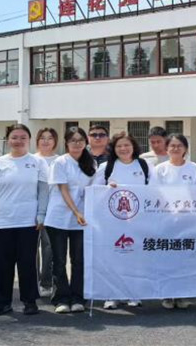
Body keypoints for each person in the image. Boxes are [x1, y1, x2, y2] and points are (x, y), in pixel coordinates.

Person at [0, 124, 49, 316]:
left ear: (29, 140)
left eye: (22, 137)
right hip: (2, 221)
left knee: (27, 263)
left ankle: (30, 301)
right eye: (14, 137)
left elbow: (43, 191)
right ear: (8, 139)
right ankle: (2, 302)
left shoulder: (38, 163)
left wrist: (41, 215)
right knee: (3, 263)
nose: (18, 141)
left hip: (29, 222)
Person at [92, 131, 156, 309]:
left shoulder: (145, 165)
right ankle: (112, 295)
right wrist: (107, 188)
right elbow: (94, 191)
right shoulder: (106, 167)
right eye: (119, 146)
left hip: (139, 221)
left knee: (136, 259)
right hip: (112, 222)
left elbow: (155, 189)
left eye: (127, 145)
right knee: (113, 258)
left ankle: (134, 293)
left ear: (134, 146)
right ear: (113, 149)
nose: (123, 149)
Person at [45, 127, 96, 314]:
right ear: (66, 143)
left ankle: (77, 297)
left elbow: (94, 189)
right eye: (73, 140)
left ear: (85, 142)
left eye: (80, 140)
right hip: (59, 217)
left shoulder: (91, 163)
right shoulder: (60, 162)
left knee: (79, 260)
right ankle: (61, 298)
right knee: (59, 260)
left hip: (82, 220)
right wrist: (76, 211)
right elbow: (63, 189)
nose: (77, 143)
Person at [155, 134, 196, 310]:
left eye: (179, 146)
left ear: (185, 149)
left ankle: (182, 294)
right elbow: (154, 193)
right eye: (172, 146)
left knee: (185, 258)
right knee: (167, 257)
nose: (175, 149)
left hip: (187, 219)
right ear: (167, 149)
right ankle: (167, 294)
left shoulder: (194, 168)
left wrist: (186, 209)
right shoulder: (160, 169)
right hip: (165, 219)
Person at [34, 128, 58, 298]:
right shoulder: (32, 160)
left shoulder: (60, 161)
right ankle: (33, 282)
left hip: (52, 211)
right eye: (42, 138)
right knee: (32, 249)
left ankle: (46, 282)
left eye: (50, 138)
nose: (46, 141)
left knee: (49, 248)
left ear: (55, 141)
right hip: (32, 210)